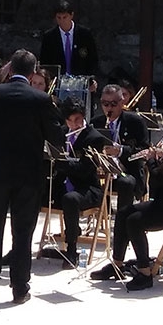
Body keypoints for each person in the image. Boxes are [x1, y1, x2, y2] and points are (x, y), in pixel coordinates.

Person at [0, 49, 63, 304]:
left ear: (10, 69)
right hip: (28, 173)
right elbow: (55, 137)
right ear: (33, 72)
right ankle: (20, 287)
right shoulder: (41, 98)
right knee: (23, 231)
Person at [90, 117, 163, 291]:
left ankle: (145, 273)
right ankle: (117, 265)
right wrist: (159, 160)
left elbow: (160, 180)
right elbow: (160, 182)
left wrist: (152, 160)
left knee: (135, 220)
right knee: (124, 213)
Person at [50, 98, 106, 269]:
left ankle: (72, 249)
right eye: (69, 120)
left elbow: (84, 170)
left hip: (87, 188)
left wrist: (61, 163)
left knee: (71, 199)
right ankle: (19, 249)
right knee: (32, 192)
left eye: (77, 120)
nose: (73, 124)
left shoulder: (94, 137)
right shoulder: (62, 132)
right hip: (63, 184)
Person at [89, 84, 149, 212]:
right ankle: (104, 213)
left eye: (113, 104)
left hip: (127, 170)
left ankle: (122, 221)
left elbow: (144, 149)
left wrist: (121, 151)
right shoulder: (96, 122)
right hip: (103, 171)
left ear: (122, 102)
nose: (109, 108)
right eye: (105, 104)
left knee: (125, 183)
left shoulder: (135, 121)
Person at [39, 0, 98, 78]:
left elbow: (93, 59)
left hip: (81, 81)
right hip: (58, 82)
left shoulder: (85, 34)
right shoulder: (49, 37)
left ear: (71, 15)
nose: (62, 21)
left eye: (64, 17)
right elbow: (45, 63)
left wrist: (91, 79)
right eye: (59, 17)